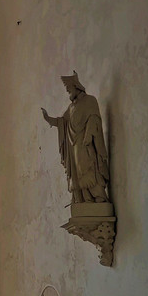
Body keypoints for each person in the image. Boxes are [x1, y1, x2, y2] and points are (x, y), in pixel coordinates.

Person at [41, 71, 110, 204]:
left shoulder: (90, 101)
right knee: (76, 172)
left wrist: (89, 135)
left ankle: (98, 196)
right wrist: (48, 119)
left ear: (76, 86)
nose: (68, 93)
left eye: (69, 89)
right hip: (73, 145)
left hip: (85, 142)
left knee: (88, 167)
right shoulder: (71, 107)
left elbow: (94, 118)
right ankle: (85, 199)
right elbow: (63, 122)